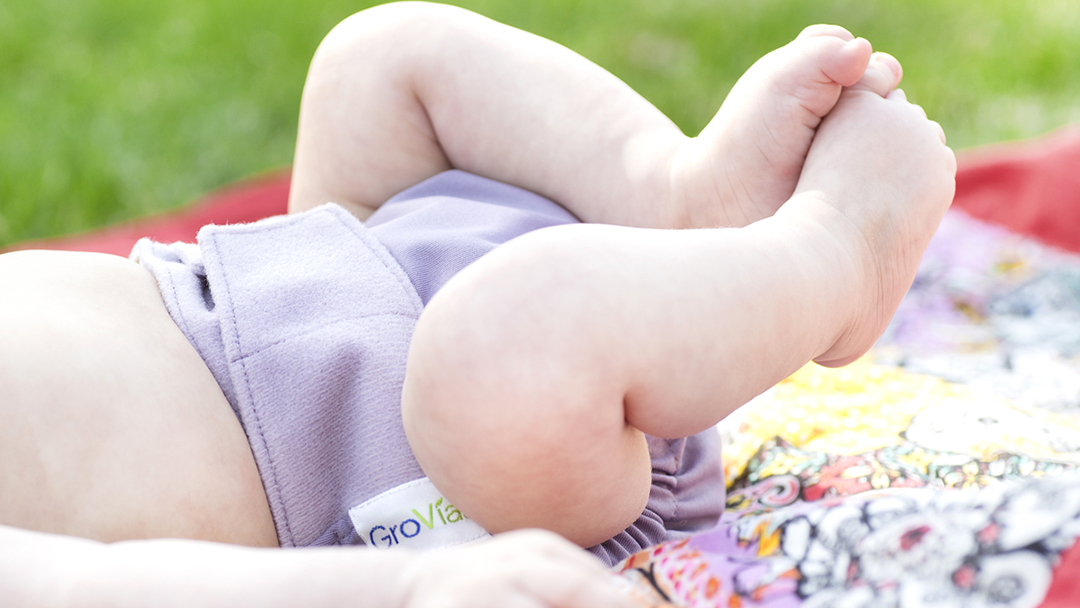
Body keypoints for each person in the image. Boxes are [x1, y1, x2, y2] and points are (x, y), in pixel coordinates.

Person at [0, 2, 955, 606]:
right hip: (447, 467)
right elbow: (95, 586)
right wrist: (412, 586)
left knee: (378, 57)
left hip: (317, 265)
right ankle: (832, 253)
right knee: (505, 344)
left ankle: (673, 196)